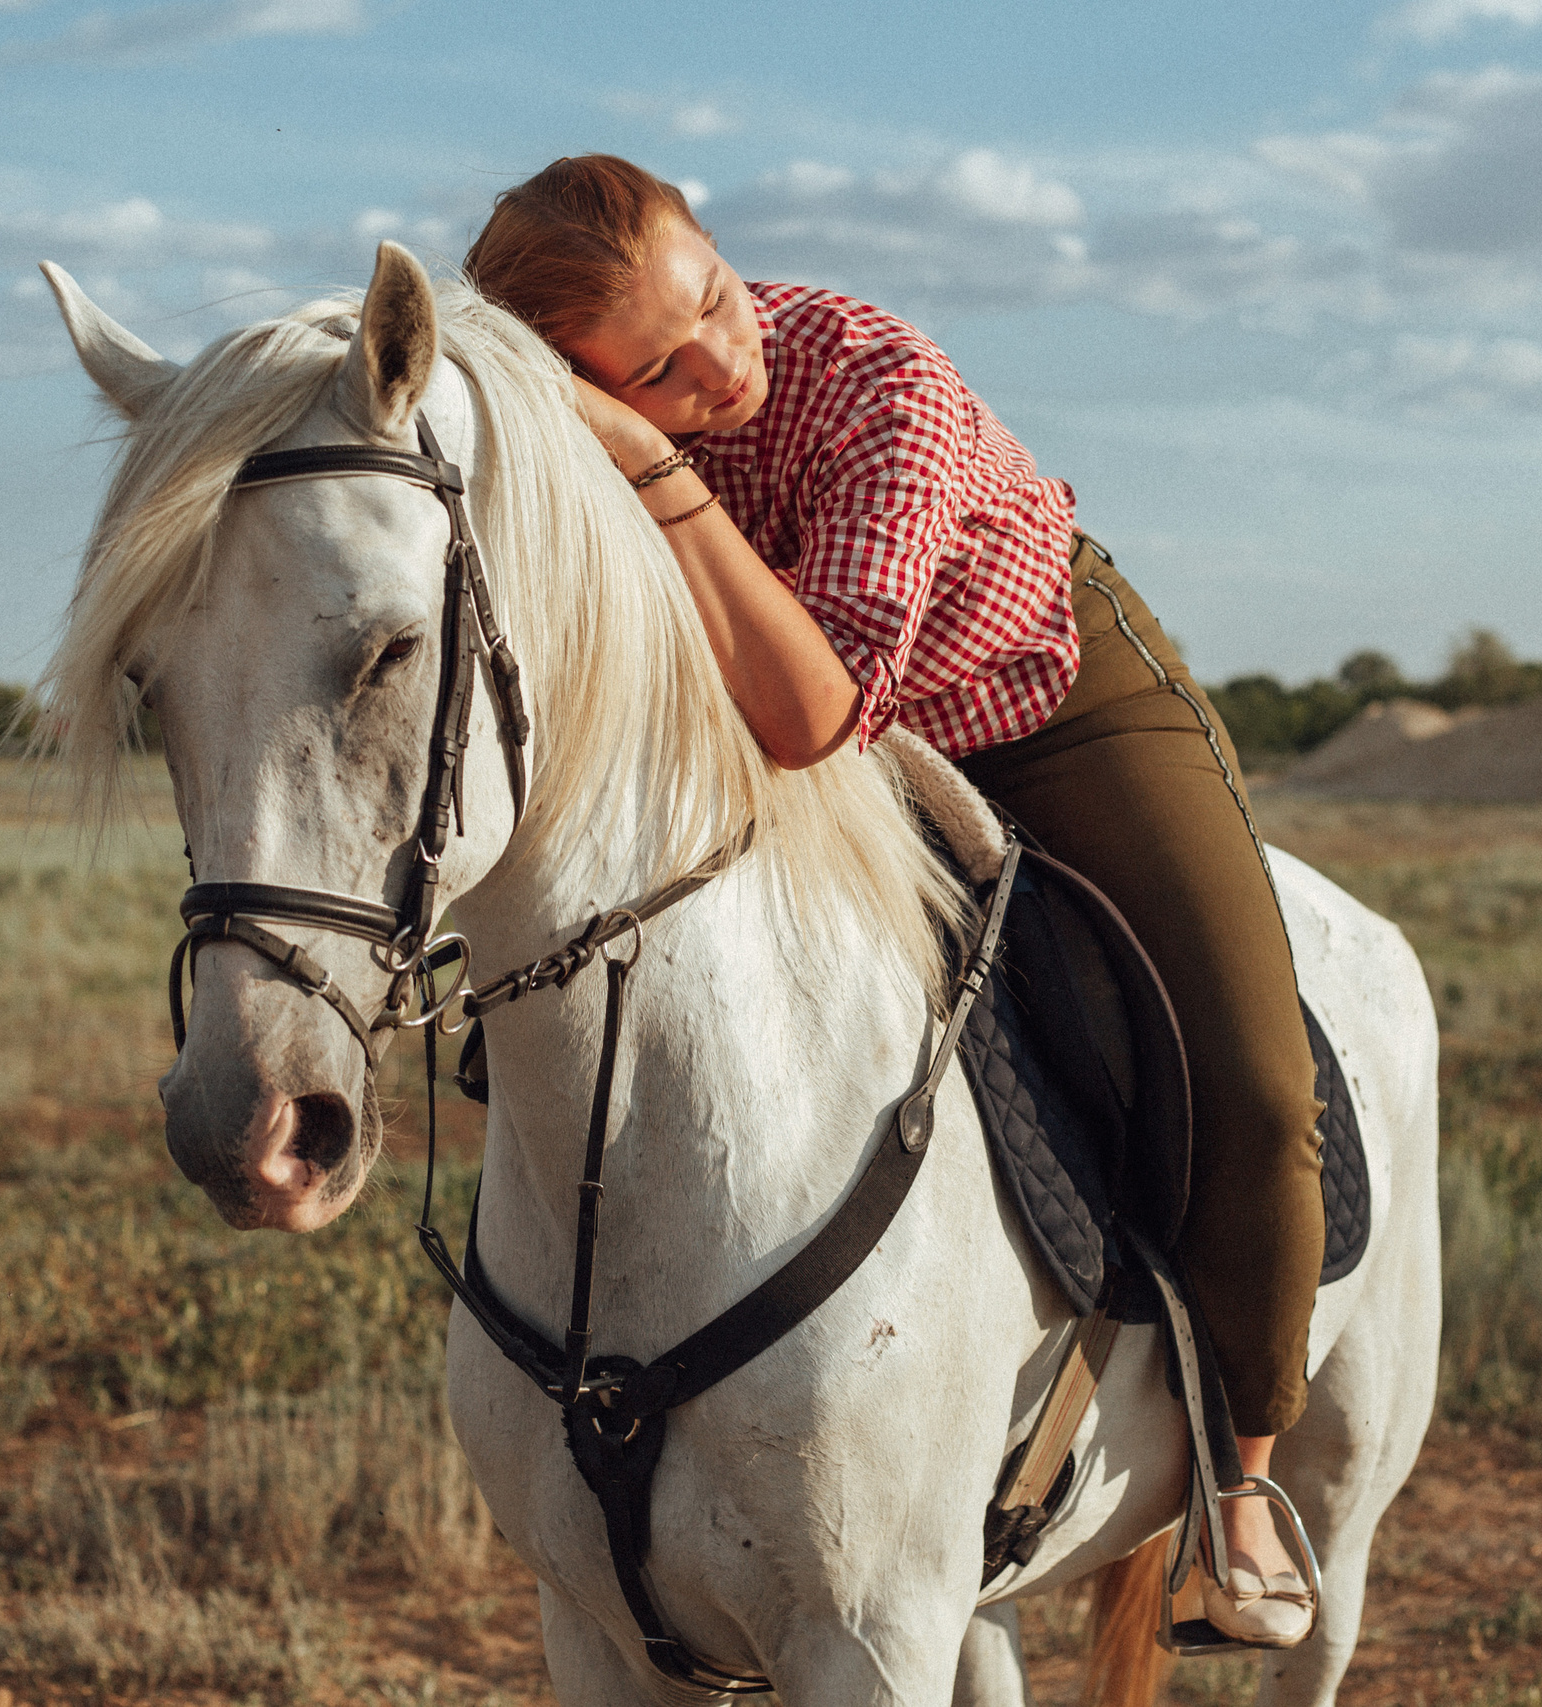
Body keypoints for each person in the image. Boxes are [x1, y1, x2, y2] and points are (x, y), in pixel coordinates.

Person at [463, 155, 1325, 1647]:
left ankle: (1240, 1486)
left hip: (1042, 700)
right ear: (572, 382)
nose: (725, 362)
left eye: (718, 296)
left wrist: (651, 458)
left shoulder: (874, 382)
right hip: (773, 744)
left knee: (1250, 1071)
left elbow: (818, 709)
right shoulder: (560, 454)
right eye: (661, 369)